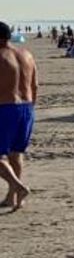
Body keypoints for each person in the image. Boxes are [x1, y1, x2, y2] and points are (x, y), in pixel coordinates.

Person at [0, 22, 36, 210]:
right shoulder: (26, 55)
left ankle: (17, 187)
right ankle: (13, 198)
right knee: (15, 154)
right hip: (27, 108)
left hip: (5, 108)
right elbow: (35, 85)